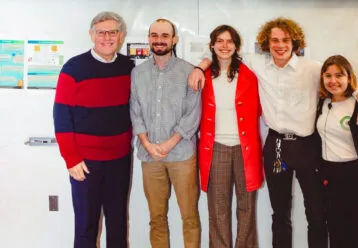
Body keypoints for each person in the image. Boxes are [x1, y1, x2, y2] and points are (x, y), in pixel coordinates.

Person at [189, 17, 358, 248]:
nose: (280, 45)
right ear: (267, 43)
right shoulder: (257, 63)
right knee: (280, 214)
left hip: (307, 147)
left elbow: (351, 81)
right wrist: (200, 65)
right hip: (277, 148)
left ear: (294, 42)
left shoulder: (312, 68)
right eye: (274, 40)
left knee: (316, 213)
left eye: (285, 40)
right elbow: (222, 55)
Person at [53, 11, 134, 248]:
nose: (107, 37)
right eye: (101, 32)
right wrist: (71, 158)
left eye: (112, 32)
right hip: (85, 163)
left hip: (119, 160)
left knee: (118, 225)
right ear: (91, 35)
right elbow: (61, 117)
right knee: (86, 227)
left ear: (121, 36)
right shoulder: (73, 68)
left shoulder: (128, 68)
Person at [129, 18, 201, 248]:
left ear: (174, 40)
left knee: (189, 216)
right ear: (149, 39)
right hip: (150, 157)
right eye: (154, 35)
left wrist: (170, 143)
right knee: (156, 218)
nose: (159, 40)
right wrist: (147, 143)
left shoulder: (189, 71)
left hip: (181, 155)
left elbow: (192, 114)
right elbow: (135, 111)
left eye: (164, 36)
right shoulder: (137, 74)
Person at [198, 25, 264, 248]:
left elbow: (259, 109)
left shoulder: (249, 75)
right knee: (218, 208)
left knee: (247, 207)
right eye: (220, 41)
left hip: (245, 148)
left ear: (236, 46)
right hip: (216, 147)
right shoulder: (203, 76)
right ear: (212, 45)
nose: (225, 46)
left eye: (229, 41)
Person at [316, 55, 358, 248]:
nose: (333, 81)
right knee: (338, 235)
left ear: (349, 77)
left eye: (339, 75)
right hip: (331, 178)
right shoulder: (321, 103)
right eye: (328, 75)